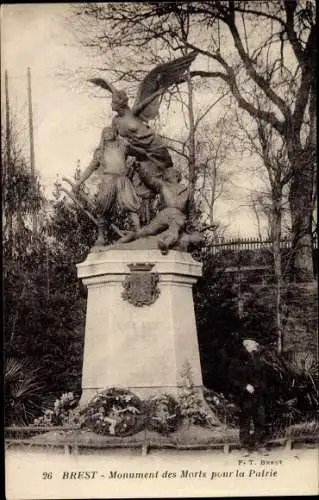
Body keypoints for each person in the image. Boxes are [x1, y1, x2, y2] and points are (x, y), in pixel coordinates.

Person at [73, 126, 141, 246]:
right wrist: (79, 182)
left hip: (123, 180)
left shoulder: (123, 147)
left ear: (115, 133)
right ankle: (101, 237)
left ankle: (139, 232)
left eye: (110, 132)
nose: (108, 134)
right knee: (102, 208)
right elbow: (90, 168)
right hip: (108, 180)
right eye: (105, 132)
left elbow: (139, 152)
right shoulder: (100, 152)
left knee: (131, 205)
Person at [118, 163, 190, 254]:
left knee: (174, 228)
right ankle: (127, 238)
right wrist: (139, 168)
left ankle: (165, 244)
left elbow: (192, 212)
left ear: (176, 175)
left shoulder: (187, 191)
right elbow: (149, 180)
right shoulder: (162, 184)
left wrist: (194, 230)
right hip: (163, 215)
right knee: (146, 231)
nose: (165, 173)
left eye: (168, 172)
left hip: (177, 215)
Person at [229, 339, 269, 453]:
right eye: (254, 342)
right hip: (244, 396)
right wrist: (245, 386)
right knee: (245, 420)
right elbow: (232, 378)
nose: (257, 344)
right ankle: (244, 447)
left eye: (257, 342)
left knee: (260, 419)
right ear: (246, 345)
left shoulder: (258, 358)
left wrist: (262, 387)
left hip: (258, 394)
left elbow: (263, 376)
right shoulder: (238, 359)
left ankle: (259, 444)